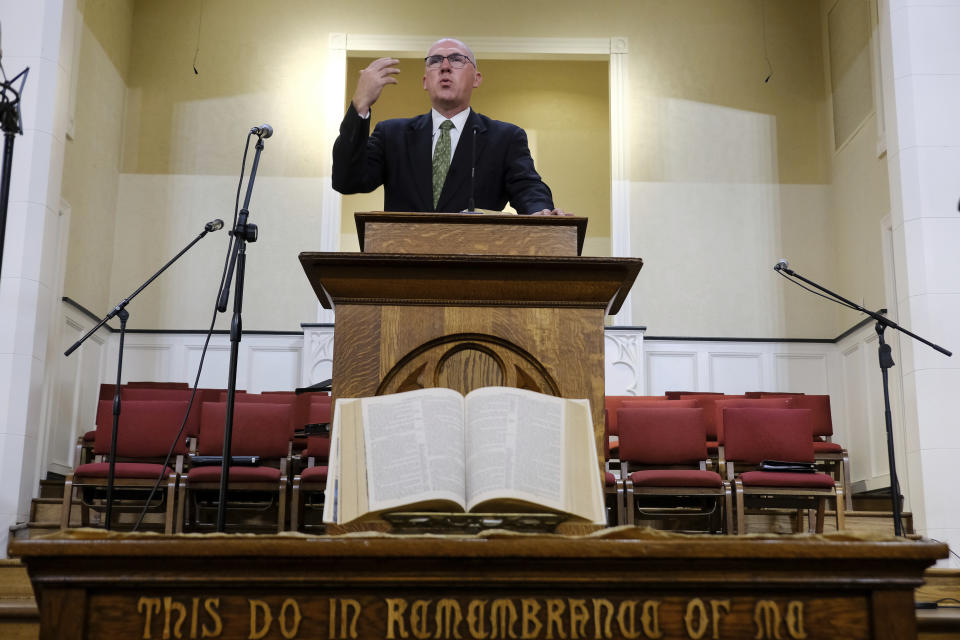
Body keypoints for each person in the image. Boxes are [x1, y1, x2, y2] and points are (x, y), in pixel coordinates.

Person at [332, 38, 569, 216]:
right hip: (405, 270)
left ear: (476, 78)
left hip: (473, 270)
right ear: (425, 82)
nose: (444, 67)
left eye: (456, 60)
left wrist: (541, 213)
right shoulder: (392, 134)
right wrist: (359, 105)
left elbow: (528, 187)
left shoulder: (505, 138)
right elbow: (346, 180)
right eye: (435, 61)